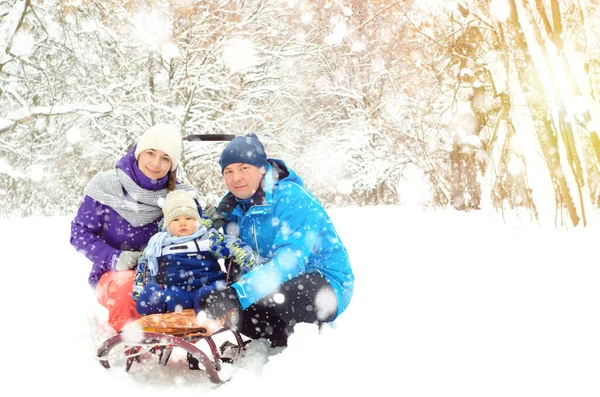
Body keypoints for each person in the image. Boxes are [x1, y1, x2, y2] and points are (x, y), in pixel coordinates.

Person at [198, 133, 354, 347]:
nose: (236, 178)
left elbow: (291, 261)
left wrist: (237, 293)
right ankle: (278, 335)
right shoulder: (233, 207)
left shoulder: (293, 199)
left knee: (291, 296)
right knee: (238, 315)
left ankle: (304, 342)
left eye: (244, 168)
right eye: (229, 171)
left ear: (262, 168)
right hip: (271, 283)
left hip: (322, 282)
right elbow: (220, 246)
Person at [70, 123, 196, 333]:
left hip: (163, 277)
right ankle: (129, 341)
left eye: (165, 158)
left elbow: (201, 226)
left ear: (172, 165)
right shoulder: (106, 186)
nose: (155, 163)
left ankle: (168, 335)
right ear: (139, 152)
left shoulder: (179, 195)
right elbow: (79, 233)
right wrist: (114, 257)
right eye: (150, 153)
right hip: (112, 278)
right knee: (129, 284)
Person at [133, 189, 262, 316]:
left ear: (197, 220)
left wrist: (251, 260)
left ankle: (207, 307)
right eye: (176, 220)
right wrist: (139, 291)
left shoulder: (207, 237)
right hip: (179, 291)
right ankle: (155, 303)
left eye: (188, 218)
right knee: (168, 298)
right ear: (167, 224)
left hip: (210, 285)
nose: (182, 223)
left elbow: (232, 245)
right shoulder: (158, 245)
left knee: (209, 296)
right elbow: (145, 267)